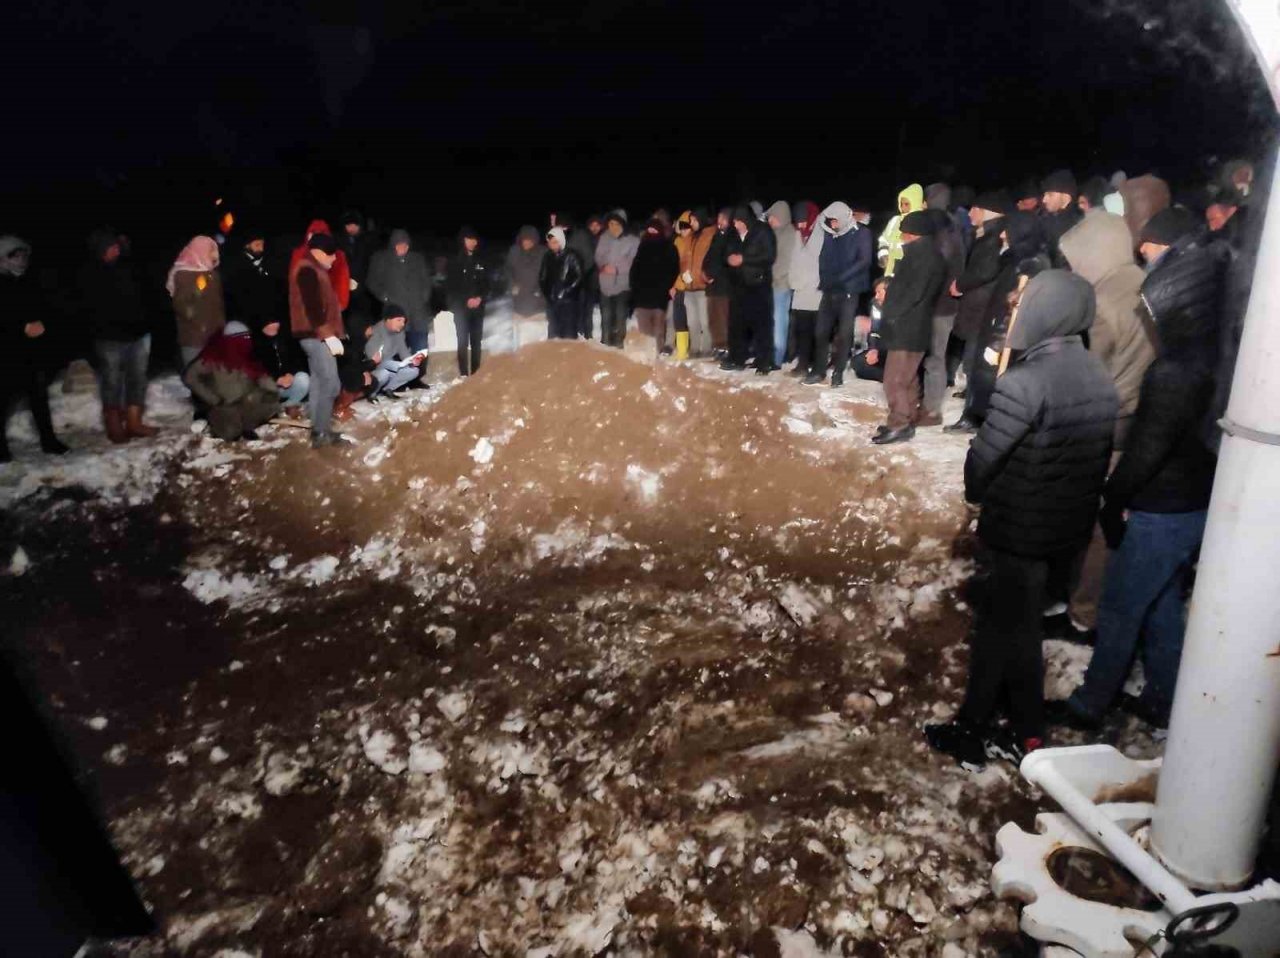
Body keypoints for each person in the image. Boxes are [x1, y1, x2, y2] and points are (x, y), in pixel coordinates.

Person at [926, 271, 1118, 768]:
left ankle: (1018, 732)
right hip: (1062, 529)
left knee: (1011, 630)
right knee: (1007, 624)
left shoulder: (1026, 382)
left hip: (1018, 530)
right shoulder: (1099, 376)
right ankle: (990, 724)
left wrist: (974, 489)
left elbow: (984, 460)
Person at [1054, 301, 1219, 731]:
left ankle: (1091, 703)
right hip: (1192, 503)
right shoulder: (1215, 357)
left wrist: (1113, 496)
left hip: (1163, 507)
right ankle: (1165, 697)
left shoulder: (1173, 372)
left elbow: (1149, 446)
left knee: (1121, 605)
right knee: (1160, 603)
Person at [1057, 211, 1159, 637]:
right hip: (1139, 416)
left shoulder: (1102, 303)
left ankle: (1083, 613)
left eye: (1077, 259)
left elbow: (1085, 376)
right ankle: (1086, 604)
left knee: (1094, 522)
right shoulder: (1145, 283)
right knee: (1108, 518)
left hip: (1106, 423)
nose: (1073, 269)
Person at [948, 210, 1047, 432]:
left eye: (1008, 231)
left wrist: (998, 342)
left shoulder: (1030, 265)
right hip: (992, 322)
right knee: (980, 374)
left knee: (989, 377)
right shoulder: (1013, 258)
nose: (1002, 235)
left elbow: (1017, 307)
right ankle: (974, 416)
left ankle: (981, 421)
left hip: (1002, 333)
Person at [873, 210, 947, 444]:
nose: (902, 236)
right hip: (914, 326)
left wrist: (891, 310)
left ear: (915, 234)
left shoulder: (923, 258)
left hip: (908, 326)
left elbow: (913, 293)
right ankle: (908, 416)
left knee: (894, 380)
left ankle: (900, 424)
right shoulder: (923, 254)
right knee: (908, 378)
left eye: (905, 232)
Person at [80, 229, 157, 444]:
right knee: (112, 382)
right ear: (100, 250)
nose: (116, 249)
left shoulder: (128, 267)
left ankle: (133, 423)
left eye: (116, 245)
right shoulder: (91, 273)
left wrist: (145, 319)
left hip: (138, 334)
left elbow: (144, 292)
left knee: (138, 378)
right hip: (109, 338)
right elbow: (88, 309)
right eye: (111, 246)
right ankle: (114, 426)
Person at [948, 190, 1011, 428]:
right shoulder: (987, 233)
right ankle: (972, 402)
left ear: (987, 211)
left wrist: (961, 283)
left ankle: (972, 416)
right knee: (971, 358)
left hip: (982, 307)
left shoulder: (994, 236)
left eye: (975, 208)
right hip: (978, 304)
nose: (971, 213)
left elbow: (986, 269)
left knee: (976, 361)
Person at [0, 236, 68, 461]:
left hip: (31, 352)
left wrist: (43, 324)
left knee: (38, 398)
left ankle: (49, 441)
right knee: (4, 400)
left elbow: (46, 308)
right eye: (14, 255)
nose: (20, 260)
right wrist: (21, 327)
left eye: (22, 255)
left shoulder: (29, 281)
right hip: (6, 353)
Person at [804, 201, 872, 387]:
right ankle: (818, 371)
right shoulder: (830, 235)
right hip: (829, 289)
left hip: (849, 290)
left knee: (844, 333)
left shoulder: (861, 233)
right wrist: (825, 277)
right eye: (830, 221)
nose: (832, 224)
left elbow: (864, 261)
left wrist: (842, 277)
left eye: (835, 220)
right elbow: (822, 257)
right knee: (821, 331)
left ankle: (839, 372)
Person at [290, 233, 347, 448]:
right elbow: (312, 307)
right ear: (321, 252)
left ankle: (318, 430)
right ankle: (322, 433)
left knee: (318, 383)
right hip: (316, 336)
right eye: (332, 255)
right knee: (331, 384)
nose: (333, 260)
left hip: (312, 335)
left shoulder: (311, 269)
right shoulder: (307, 270)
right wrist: (329, 335)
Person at [182, 321, 281, 441]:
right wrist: (212, 398)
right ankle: (217, 421)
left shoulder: (247, 354)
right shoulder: (213, 358)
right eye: (242, 339)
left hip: (244, 400)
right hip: (223, 404)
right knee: (231, 433)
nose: (246, 342)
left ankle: (246, 425)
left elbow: (260, 374)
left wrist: (270, 389)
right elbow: (190, 377)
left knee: (271, 405)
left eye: (247, 338)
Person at [920, 200, 966, 426]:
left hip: (940, 308)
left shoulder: (943, 239)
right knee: (933, 357)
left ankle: (932, 411)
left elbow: (936, 276)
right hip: (943, 307)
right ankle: (928, 404)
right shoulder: (953, 232)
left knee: (935, 358)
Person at [721, 206, 776, 374]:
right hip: (738, 285)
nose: (736, 225)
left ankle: (764, 362)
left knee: (761, 325)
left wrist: (744, 259)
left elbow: (769, 256)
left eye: (739, 222)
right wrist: (729, 258)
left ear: (747, 219)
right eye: (735, 222)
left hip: (759, 285)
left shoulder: (762, 231)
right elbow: (726, 252)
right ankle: (737, 358)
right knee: (737, 324)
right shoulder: (733, 234)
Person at [368, 229, 433, 353]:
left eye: (406, 245)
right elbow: (372, 282)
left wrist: (423, 297)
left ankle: (420, 371)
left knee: (420, 349)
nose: (403, 248)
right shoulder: (383, 260)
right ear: (393, 246)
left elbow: (426, 281)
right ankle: (401, 371)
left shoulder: (417, 259)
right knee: (397, 350)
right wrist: (385, 297)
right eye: (399, 245)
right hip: (396, 313)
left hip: (417, 313)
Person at [168, 235, 226, 369]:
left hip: (216, 337)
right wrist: (198, 289)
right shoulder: (183, 274)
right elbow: (182, 306)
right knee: (195, 378)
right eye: (211, 250)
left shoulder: (213, 274)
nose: (214, 254)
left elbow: (219, 305)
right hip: (194, 339)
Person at [629, 219, 680, 353]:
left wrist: (667, 289)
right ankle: (647, 357)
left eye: (655, 231)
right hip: (642, 298)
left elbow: (674, 271)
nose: (651, 234)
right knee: (645, 331)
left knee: (658, 331)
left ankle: (658, 356)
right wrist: (634, 292)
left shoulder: (669, 248)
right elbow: (634, 272)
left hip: (660, 298)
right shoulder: (642, 248)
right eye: (649, 231)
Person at [445, 226, 490, 376]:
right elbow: (451, 287)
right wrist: (465, 300)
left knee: (476, 342)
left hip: (478, 308)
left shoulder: (481, 260)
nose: (472, 242)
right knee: (462, 342)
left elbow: (487, 284)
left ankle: (476, 372)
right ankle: (464, 373)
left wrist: (480, 298)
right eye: (469, 239)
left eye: (474, 239)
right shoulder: (454, 261)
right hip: (461, 309)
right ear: (462, 240)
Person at [672, 210, 715, 359]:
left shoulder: (709, 235)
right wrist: (684, 273)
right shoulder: (691, 238)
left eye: (695, 220)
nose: (692, 223)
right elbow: (684, 259)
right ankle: (695, 349)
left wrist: (707, 275)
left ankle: (708, 349)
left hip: (703, 286)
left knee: (705, 320)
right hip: (689, 286)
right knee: (692, 321)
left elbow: (713, 258)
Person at [787, 201, 823, 377]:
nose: (800, 224)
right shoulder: (796, 235)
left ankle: (816, 365)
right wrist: (793, 281)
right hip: (800, 291)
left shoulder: (821, 233)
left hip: (816, 290)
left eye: (803, 220)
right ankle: (802, 364)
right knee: (802, 330)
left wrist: (816, 282)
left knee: (816, 331)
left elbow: (821, 262)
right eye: (797, 221)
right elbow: (793, 260)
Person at [249, 314, 309, 417]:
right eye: (269, 323)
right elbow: (254, 371)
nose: (274, 325)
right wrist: (276, 378)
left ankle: (288, 405)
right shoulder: (254, 343)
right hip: (267, 388)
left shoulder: (285, 338)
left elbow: (298, 360)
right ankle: (272, 409)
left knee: (303, 379)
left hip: (286, 386)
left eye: (275, 322)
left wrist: (290, 374)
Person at [594, 212, 638, 348]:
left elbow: (634, 262)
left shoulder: (633, 240)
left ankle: (619, 344)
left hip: (622, 284)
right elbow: (598, 256)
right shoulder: (604, 238)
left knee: (620, 316)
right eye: (611, 224)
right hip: (605, 284)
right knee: (606, 316)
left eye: (617, 224)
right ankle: (605, 344)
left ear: (623, 225)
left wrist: (617, 269)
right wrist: (603, 265)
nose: (613, 227)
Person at [221, 228, 278, 333]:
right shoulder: (237, 267)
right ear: (247, 246)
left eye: (262, 244)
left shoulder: (269, 262)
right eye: (257, 245)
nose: (261, 248)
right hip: (248, 324)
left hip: (271, 321)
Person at [365, 303, 427, 396]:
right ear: (388, 320)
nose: (402, 324)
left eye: (403, 321)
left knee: (414, 371)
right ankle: (372, 393)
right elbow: (372, 359)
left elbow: (403, 352)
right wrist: (398, 365)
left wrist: (412, 360)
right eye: (399, 320)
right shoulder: (376, 332)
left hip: (390, 366)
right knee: (384, 374)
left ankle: (387, 389)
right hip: (373, 369)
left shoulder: (399, 333)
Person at [289, 220, 351, 311]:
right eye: (313, 234)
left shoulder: (338, 256)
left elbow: (342, 281)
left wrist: (339, 305)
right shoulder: (299, 254)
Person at [766, 201, 797, 368]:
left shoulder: (790, 234)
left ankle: (777, 358)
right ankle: (770, 355)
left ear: (780, 216)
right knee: (771, 322)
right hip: (771, 285)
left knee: (779, 322)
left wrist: (773, 276)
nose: (770, 220)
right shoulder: (775, 234)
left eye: (772, 216)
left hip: (782, 285)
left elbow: (785, 262)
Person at [506, 225, 549, 349]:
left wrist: (540, 290)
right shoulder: (514, 252)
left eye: (530, 240)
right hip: (519, 306)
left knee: (537, 343)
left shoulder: (543, 253)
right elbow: (507, 271)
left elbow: (549, 275)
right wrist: (511, 285)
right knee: (519, 342)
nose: (527, 242)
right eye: (524, 239)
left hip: (538, 307)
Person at [540, 227, 585, 340]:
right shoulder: (547, 256)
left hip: (569, 301)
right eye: (550, 243)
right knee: (554, 332)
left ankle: (569, 355)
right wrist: (547, 293)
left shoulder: (572, 255)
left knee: (568, 332)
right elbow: (542, 277)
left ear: (561, 241)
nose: (552, 245)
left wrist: (566, 291)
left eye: (555, 242)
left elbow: (579, 277)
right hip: (552, 301)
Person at [702, 208, 735, 354]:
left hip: (724, 286)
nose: (719, 222)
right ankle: (717, 345)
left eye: (723, 219)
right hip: (712, 286)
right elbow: (708, 257)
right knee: (713, 318)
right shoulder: (716, 237)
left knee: (723, 318)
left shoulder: (732, 237)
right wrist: (704, 272)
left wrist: (714, 274)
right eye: (719, 218)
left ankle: (726, 346)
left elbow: (727, 261)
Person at [877, 183, 925, 278]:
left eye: (906, 204)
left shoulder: (923, 223)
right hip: (890, 274)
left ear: (916, 202)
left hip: (912, 275)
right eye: (901, 204)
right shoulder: (895, 220)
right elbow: (884, 240)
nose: (903, 208)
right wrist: (883, 255)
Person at [1040, 170, 1084, 267]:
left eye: (1050, 194)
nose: (1044, 200)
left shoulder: (1080, 226)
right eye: (1044, 194)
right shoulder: (1043, 220)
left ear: (1066, 198)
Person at [339, 210, 377, 320]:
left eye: (354, 225)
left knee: (363, 319)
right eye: (348, 225)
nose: (351, 228)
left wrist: (362, 284)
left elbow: (371, 266)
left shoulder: (368, 242)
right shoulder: (339, 242)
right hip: (344, 288)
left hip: (364, 290)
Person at [850, 277, 888, 383]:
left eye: (879, 292)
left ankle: (892, 376)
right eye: (876, 292)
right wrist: (873, 349)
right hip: (881, 349)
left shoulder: (901, 307)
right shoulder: (875, 304)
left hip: (895, 351)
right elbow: (874, 331)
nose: (876, 296)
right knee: (857, 363)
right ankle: (887, 376)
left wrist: (879, 351)